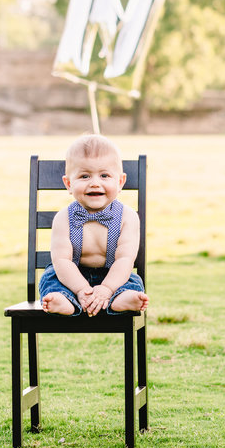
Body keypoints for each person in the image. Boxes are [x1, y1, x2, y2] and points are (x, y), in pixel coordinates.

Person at [39, 134, 149, 316]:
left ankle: (123, 299)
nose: (95, 183)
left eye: (104, 175)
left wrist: (107, 288)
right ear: (68, 183)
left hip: (112, 276)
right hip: (72, 277)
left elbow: (124, 260)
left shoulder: (127, 217)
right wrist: (82, 289)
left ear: (120, 182)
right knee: (50, 278)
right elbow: (62, 260)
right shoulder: (63, 218)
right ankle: (63, 300)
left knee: (132, 280)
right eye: (84, 176)